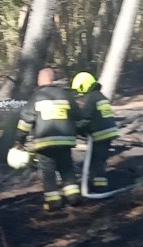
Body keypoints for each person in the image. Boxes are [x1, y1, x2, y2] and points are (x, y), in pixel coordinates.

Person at [15, 68, 83, 212]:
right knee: (67, 168)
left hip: (45, 143)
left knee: (48, 172)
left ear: (41, 79)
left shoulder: (36, 96)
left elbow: (26, 121)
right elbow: (78, 116)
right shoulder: (66, 95)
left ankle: (54, 202)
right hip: (65, 141)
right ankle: (73, 197)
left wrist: (20, 139)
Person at [71, 71, 119, 193]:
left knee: (96, 160)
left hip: (101, 133)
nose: (79, 93)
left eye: (79, 89)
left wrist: (76, 127)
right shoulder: (100, 96)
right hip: (108, 132)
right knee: (99, 160)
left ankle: (100, 186)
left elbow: (86, 116)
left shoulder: (92, 97)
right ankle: (99, 184)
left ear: (84, 85)